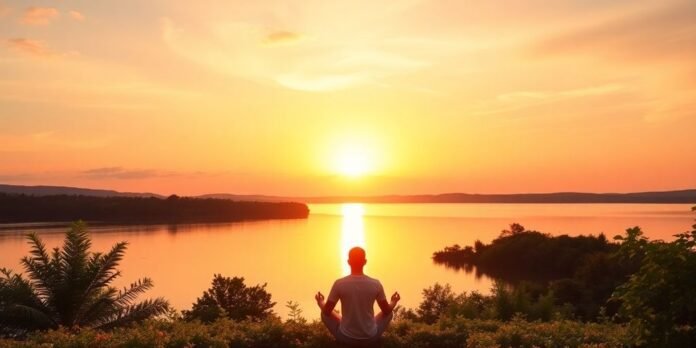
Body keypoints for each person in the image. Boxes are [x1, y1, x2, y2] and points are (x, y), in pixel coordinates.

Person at [315, 246, 400, 346]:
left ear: (348, 262)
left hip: (346, 338)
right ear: (365, 261)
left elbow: (327, 311)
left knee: (324, 314)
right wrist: (394, 301)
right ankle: (367, 328)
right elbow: (386, 311)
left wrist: (320, 302)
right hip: (370, 337)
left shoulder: (339, 284)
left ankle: (346, 326)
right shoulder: (375, 284)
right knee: (389, 313)